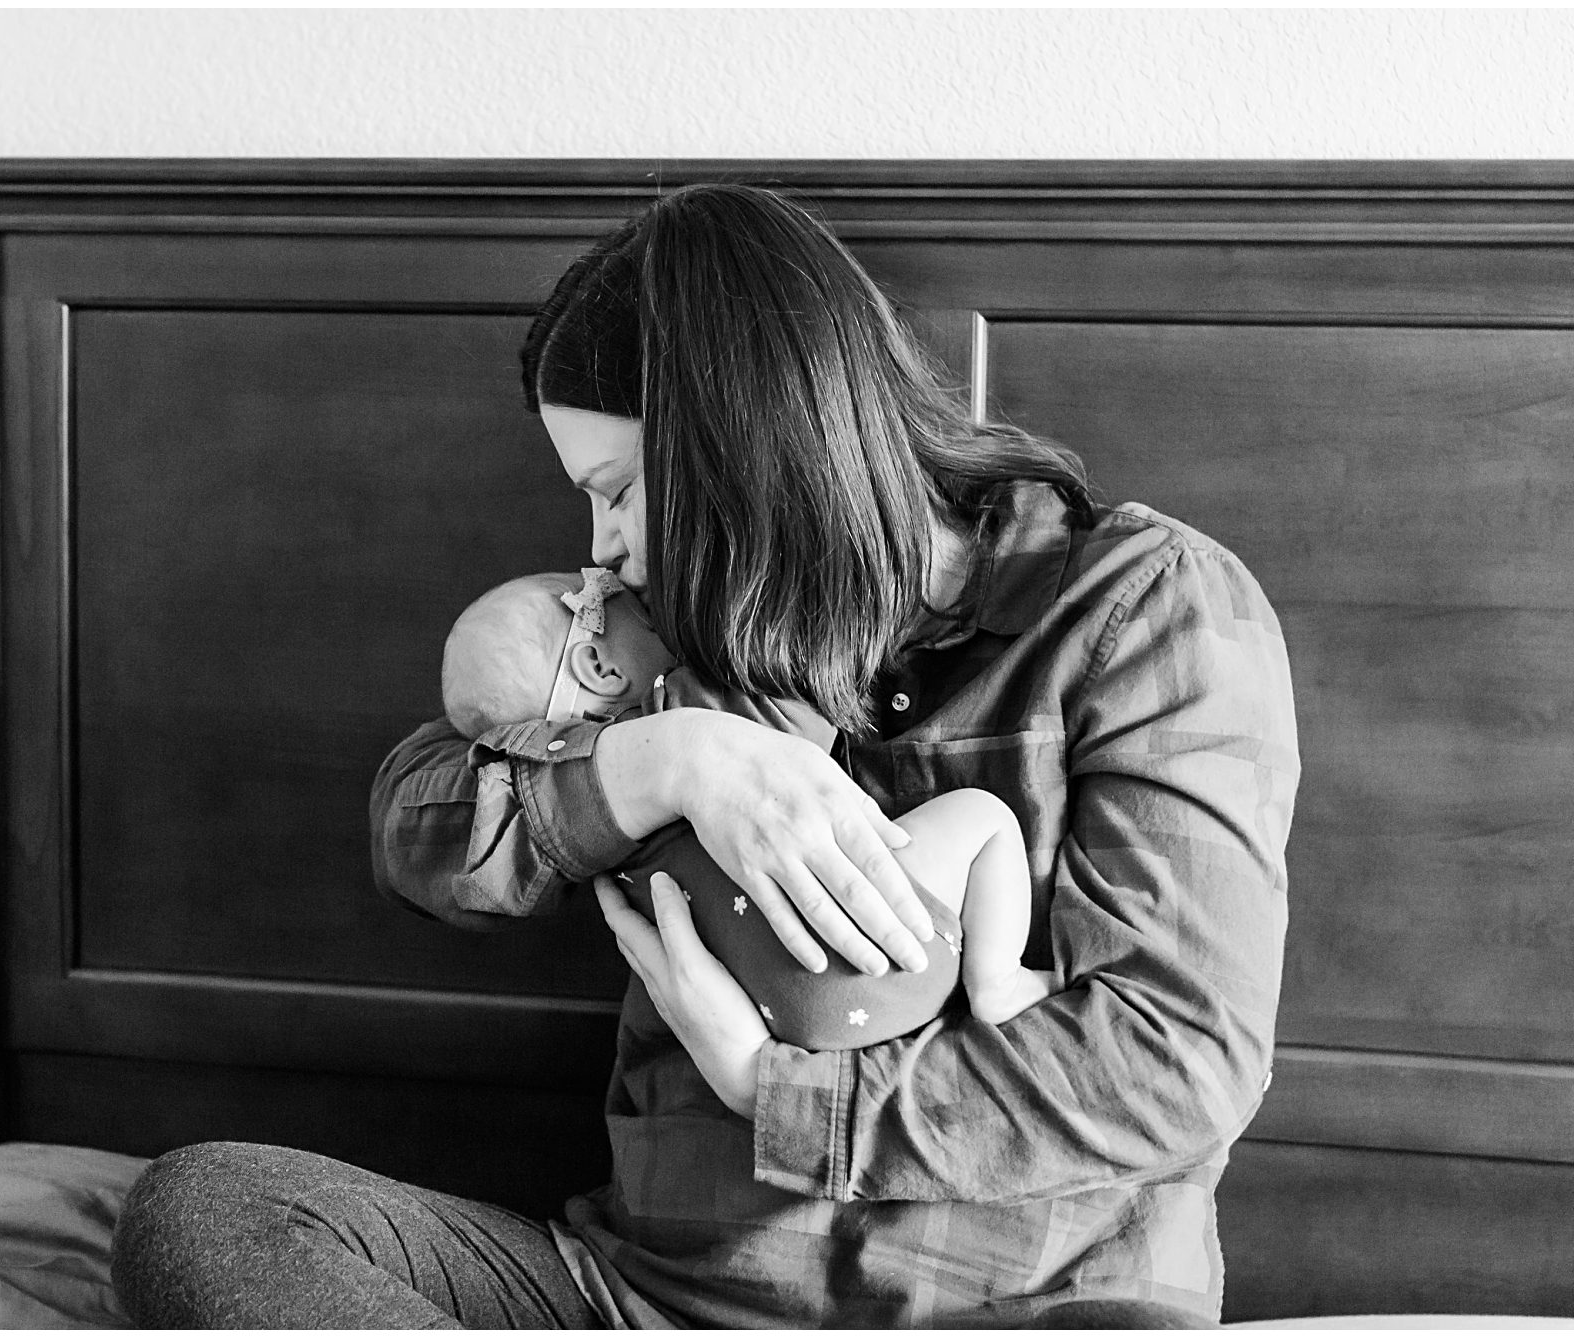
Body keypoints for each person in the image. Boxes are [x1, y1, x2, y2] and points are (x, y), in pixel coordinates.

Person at [110, 183, 1298, 1329]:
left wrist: (778, 1096)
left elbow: (1173, 1061)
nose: (602, 549)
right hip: (639, 1304)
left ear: (739, 449)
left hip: (1016, 1314)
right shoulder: (670, 645)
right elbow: (421, 830)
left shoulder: (1142, 611)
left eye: (616, 492)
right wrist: (670, 762)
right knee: (210, 1212)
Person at [441, 566, 1056, 1047]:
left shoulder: (599, 820)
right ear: (598, 667)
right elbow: (807, 693)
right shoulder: (697, 699)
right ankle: (997, 981)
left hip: (773, 1019)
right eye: (651, 624)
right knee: (984, 815)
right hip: (887, 944)